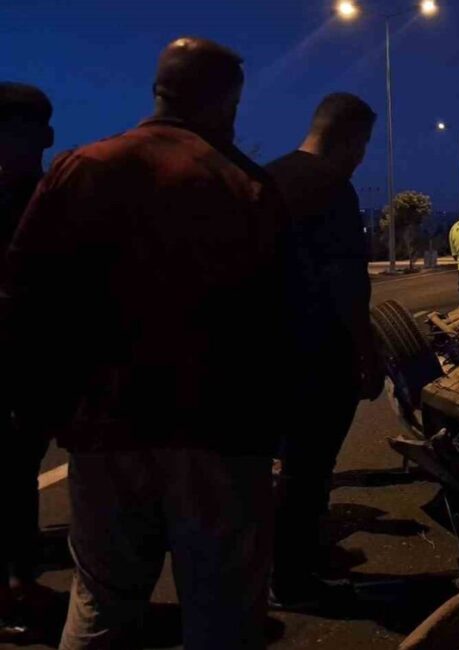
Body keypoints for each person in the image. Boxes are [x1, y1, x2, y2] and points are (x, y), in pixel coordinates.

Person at [4, 37, 289, 649]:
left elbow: (25, 298)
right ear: (225, 101)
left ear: (160, 90)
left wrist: (45, 408)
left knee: (102, 601)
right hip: (217, 430)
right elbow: (275, 318)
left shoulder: (84, 168)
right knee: (221, 610)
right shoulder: (244, 186)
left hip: (106, 427)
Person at [264, 93, 383, 610]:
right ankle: (293, 578)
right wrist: (368, 351)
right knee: (308, 470)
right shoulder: (333, 187)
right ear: (350, 137)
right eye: (363, 145)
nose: (361, 157)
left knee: (280, 464)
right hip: (319, 352)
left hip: (267, 348)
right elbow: (346, 281)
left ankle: (289, 558)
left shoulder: (265, 178)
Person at [0, 82, 56, 641]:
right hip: (16, 368)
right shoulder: (32, 199)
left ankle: (19, 581)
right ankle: (12, 590)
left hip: (28, 368)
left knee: (16, 480)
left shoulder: (39, 196)